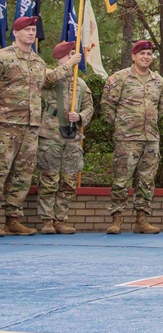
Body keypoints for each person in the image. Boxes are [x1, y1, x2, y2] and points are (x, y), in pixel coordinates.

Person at [0, 17, 78, 236]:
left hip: (31, 126)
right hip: (6, 124)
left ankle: (12, 219)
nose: (31, 33)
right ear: (15, 32)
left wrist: (69, 66)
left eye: (34, 30)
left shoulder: (37, 61)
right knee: (1, 171)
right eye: (26, 30)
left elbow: (49, 80)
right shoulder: (3, 57)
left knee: (22, 175)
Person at [103, 40, 163, 235]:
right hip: (127, 138)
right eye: (142, 54)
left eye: (149, 54)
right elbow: (107, 105)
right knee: (122, 180)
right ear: (134, 56)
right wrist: (120, 125)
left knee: (147, 180)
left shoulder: (159, 82)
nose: (146, 57)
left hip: (151, 138)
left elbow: (162, 106)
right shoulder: (120, 78)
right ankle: (117, 219)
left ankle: (142, 219)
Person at [36, 41, 94, 234]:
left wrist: (80, 117)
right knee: (49, 179)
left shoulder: (81, 83)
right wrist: (68, 65)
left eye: (73, 54)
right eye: (68, 54)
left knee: (68, 181)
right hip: (51, 135)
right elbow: (48, 80)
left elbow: (89, 107)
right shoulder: (49, 75)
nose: (72, 57)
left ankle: (60, 219)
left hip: (72, 136)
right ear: (60, 57)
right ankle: (46, 220)